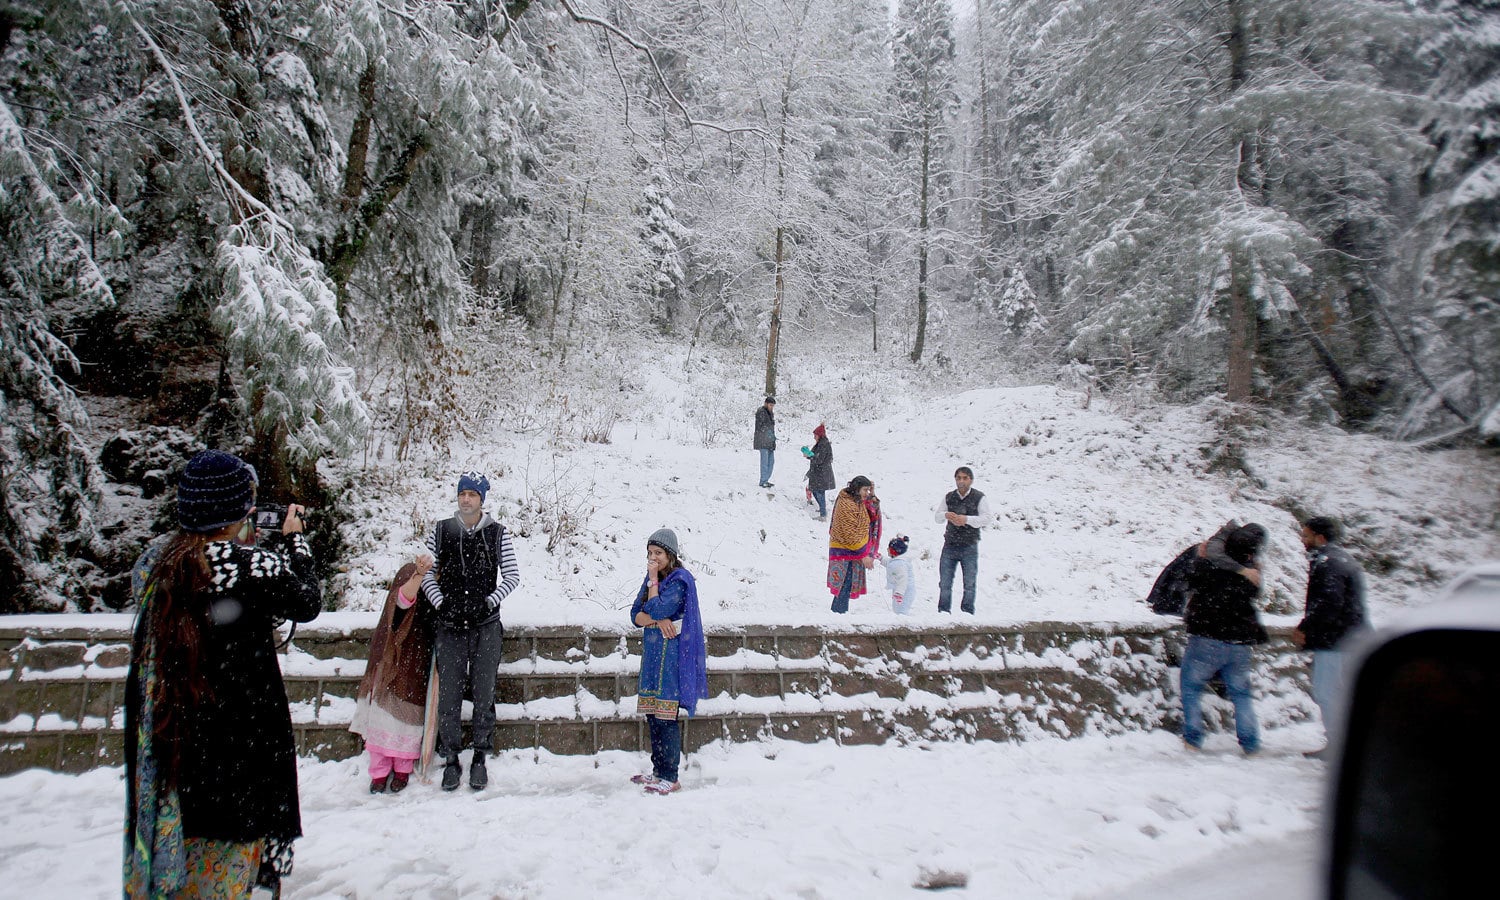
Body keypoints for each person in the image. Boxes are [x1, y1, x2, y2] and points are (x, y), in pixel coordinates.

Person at [124, 450, 322, 899]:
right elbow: (307, 600)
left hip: (177, 755)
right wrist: (295, 541)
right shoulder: (252, 567)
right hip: (241, 759)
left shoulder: (158, 567)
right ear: (240, 510)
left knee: (187, 880)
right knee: (229, 879)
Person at [420, 471, 521, 792]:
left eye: (473, 495)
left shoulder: (497, 533)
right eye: (462, 493)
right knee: (448, 694)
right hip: (449, 626)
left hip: (485, 626)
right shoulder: (441, 531)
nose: (466, 499)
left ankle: (479, 754)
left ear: (482, 500)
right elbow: (425, 574)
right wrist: (441, 604)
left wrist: (487, 603)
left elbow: (512, 576)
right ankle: (451, 758)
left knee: (483, 691)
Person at [629, 528, 708, 795]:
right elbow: (635, 615)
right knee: (653, 716)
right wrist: (657, 619)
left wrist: (655, 605)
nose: (653, 558)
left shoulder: (679, 579)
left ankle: (671, 775)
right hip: (653, 656)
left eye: (658, 553)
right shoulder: (652, 580)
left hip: (672, 656)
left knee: (666, 717)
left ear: (670, 555)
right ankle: (658, 770)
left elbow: (657, 607)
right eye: (650, 553)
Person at [1179, 523, 1269, 755]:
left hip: (1207, 637)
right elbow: (1254, 593)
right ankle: (1250, 742)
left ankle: (1193, 738)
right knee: (1241, 694)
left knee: (1191, 687)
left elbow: (1189, 581)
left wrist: (1200, 557)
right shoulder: (1251, 572)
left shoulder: (1208, 565)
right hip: (1240, 640)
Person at [350, 554, 435, 793]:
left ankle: (402, 768)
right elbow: (402, 601)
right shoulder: (410, 572)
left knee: (408, 722)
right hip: (393, 657)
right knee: (381, 720)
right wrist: (418, 575)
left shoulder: (441, 581)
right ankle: (378, 773)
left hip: (417, 662)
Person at [1293, 516, 1369, 759]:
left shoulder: (1328, 563)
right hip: (1353, 638)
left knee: (1327, 692)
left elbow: (1328, 603)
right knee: (1344, 693)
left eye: (1306, 535)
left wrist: (1305, 627)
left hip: (1334, 641)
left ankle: (1338, 746)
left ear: (1320, 537)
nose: (1302, 540)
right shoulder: (1345, 560)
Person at [932, 466, 994, 614]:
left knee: (970, 583)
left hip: (969, 545)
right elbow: (937, 517)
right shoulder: (949, 497)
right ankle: (943, 611)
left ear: (971, 480)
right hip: (950, 544)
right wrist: (946, 515)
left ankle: (967, 613)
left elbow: (986, 519)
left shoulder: (979, 497)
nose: (961, 481)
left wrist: (966, 520)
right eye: (958, 478)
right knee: (945, 582)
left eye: (965, 478)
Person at [828, 476, 879, 613]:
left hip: (854, 551)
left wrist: (872, 495)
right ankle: (838, 617)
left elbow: (873, 513)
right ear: (856, 489)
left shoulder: (858, 502)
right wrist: (863, 555)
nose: (866, 493)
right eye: (865, 490)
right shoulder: (846, 503)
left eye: (868, 490)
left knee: (846, 587)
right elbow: (848, 533)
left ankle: (839, 615)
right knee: (843, 587)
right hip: (843, 551)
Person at [804, 423, 835, 521]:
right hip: (820, 472)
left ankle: (823, 514)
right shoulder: (821, 443)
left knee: (819, 491)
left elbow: (819, 459)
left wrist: (809, 456)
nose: (814, 437)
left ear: (820, 435)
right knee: (817, 490)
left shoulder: (823, 445)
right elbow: (816, 456)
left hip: (822, 473)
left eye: (815, 435)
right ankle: (823, 510)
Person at [884, 535, 915, 614]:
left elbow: (903, 579)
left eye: (888, 548)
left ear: (893, 551)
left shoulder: (900, 564)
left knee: (902, 610)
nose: (887, 549)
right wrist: (880, 558)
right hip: (899, 589)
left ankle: (904, 623)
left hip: (905, 591)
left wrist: (899, 593)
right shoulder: (896, 561)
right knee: (896, 609)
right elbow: (889, 563)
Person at [753, 396, 777, 488]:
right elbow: (762, 427)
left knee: (771, 462)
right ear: (766, 403)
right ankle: (763, 481)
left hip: (770, 441)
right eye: (770, 405)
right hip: (762, 441)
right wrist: (769, 433)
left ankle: (766, 480)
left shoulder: (770, 413)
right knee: (764, 462)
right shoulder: (761, 412)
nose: (772, 407)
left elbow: (770, 427)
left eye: (773, 405)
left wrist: (772, 437)